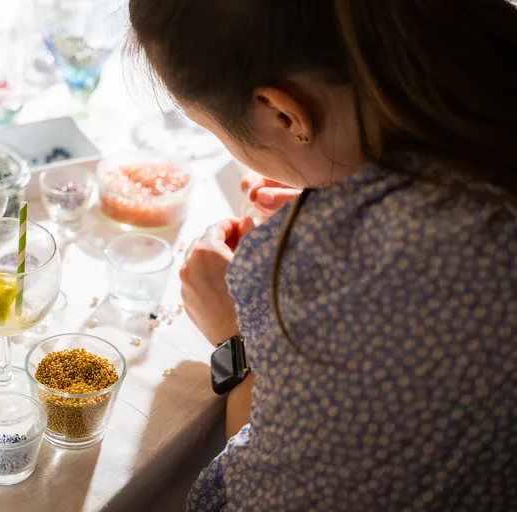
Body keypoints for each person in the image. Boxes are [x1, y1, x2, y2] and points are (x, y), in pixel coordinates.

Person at [127, 1, 517, 510]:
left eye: (210, 128)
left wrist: (235, 342)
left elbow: (259, 503)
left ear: (282, 113)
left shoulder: (365, 291)